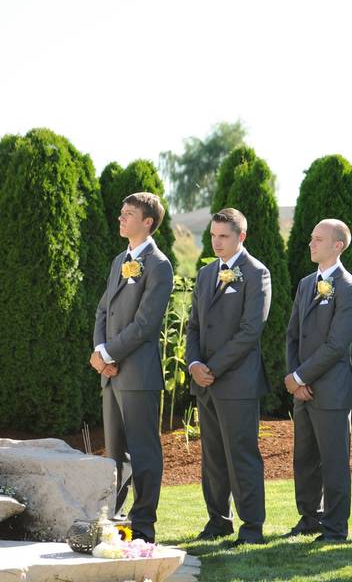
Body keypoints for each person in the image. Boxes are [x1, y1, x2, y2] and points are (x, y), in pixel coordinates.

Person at [186, 208, 271, 547]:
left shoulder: (256, 273)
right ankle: (218, 521)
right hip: (203, 380)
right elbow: (194, 326)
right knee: (213, 456)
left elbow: (251, 330)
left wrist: (213, 368)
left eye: (223, 236)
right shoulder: (206, 273)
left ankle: (252, 527)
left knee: (241, 454)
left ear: (241, 237)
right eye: (213, 235)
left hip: (236, 382)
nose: (216, 242)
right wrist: (193, 363)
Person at [91, 192, 173, 543]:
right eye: (121, 213)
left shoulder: (159, 265)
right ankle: (115, 519)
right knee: (114, 454)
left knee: (143, 451)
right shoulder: (117, 261)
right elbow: (103, 311)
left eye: (128, 214)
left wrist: (109, 353)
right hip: (110, 374)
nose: (121, 219)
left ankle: (144, 525)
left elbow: (145, 324)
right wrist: (99, 351)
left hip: (137, 373)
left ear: (148, 222)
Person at [284, 219, 352, 542]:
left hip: (331, 390)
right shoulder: (306, 284)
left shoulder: (349, 288)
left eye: (318, 239)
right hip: (302, 391)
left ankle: (335, 527)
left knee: (333, 462)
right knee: (304, 459)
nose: (311, 244)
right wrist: (294, 379)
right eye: (311, 238)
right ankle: (309, 518)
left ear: (337, 245)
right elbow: (292, 336)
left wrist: (301, 375)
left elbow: (336, 344)